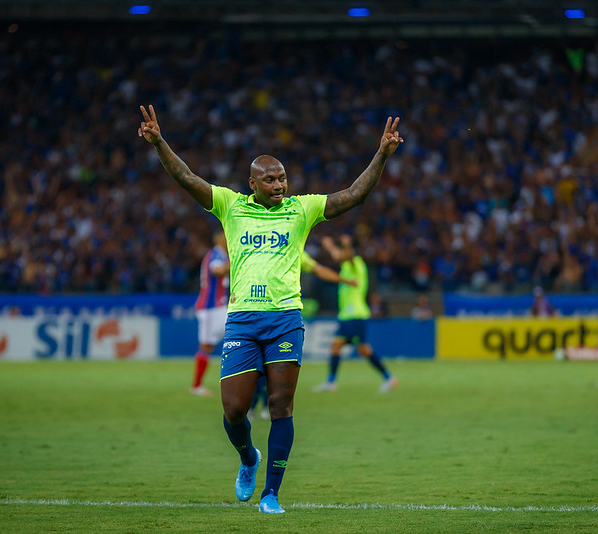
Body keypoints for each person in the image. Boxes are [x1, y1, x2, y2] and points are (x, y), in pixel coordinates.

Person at [139, 105, 402, 514]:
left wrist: (381, 155)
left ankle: (271, 493)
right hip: (242, 319)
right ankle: (248, 459)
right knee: (234, 410)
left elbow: (354, 195)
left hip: (285, 319)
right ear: (252, 184)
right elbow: (186, 177)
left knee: (281, 405)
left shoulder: (303, 208)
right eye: (270, 179)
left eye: (282, 178)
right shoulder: (229, 206)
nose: (279, 184)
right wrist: (159, 143)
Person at [248, 249, 357, 421]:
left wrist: (343, 280)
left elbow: (319, 269)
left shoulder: (294, 247)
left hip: (283, 315)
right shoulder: (257, 244)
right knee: (257, 366)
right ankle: (255, 406)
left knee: (273, 367)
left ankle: (262, 406)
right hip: (253, 311)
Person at [313, 235, 398, 394]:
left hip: (355, 315)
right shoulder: (346, 266)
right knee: (336, 346)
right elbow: (338, 256)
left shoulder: (356, 264)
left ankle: (389, 378)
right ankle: (331, 382)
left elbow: (347, 256)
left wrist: (344, 244)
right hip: (346, 316)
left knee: (363, 349)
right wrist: (330, 246)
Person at [190, 232, 230, 397]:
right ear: (221, 240)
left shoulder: (221, 254)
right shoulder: (216, 254)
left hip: (219, 307)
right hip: (210, 307)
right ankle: (197, 386)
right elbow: (217, 270)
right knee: (206, 345)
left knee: (235, 337)